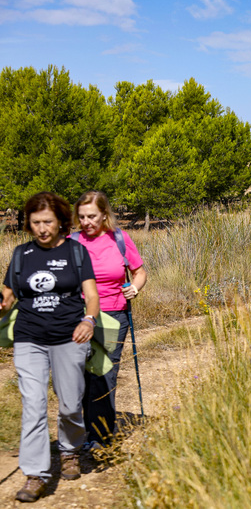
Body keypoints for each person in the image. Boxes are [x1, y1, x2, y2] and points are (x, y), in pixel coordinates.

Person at [0, 192, 100, 503]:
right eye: (35, 223)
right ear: (28, 224)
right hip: (30, 337)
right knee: (33, 406)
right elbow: (8, 296)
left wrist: (88, 321)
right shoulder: (21, 255)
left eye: (48, 222)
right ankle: (36, 474)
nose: (42, 228)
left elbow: (92, 296)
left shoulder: (76, 252)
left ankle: (69, 450)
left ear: (59, 223)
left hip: (70, 336)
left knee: (70, 404)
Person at [72, 191, 147, 449]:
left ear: (104, 214)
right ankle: (85, 427)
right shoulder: (70, 241)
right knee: (79, 375)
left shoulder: (119, 239)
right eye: (81, 217)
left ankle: (99, 437)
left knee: (103, 374)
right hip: (77, 317)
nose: (86, 222)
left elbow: (139, 272)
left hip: (114, 315)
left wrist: (134, 288)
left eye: (92, 216)